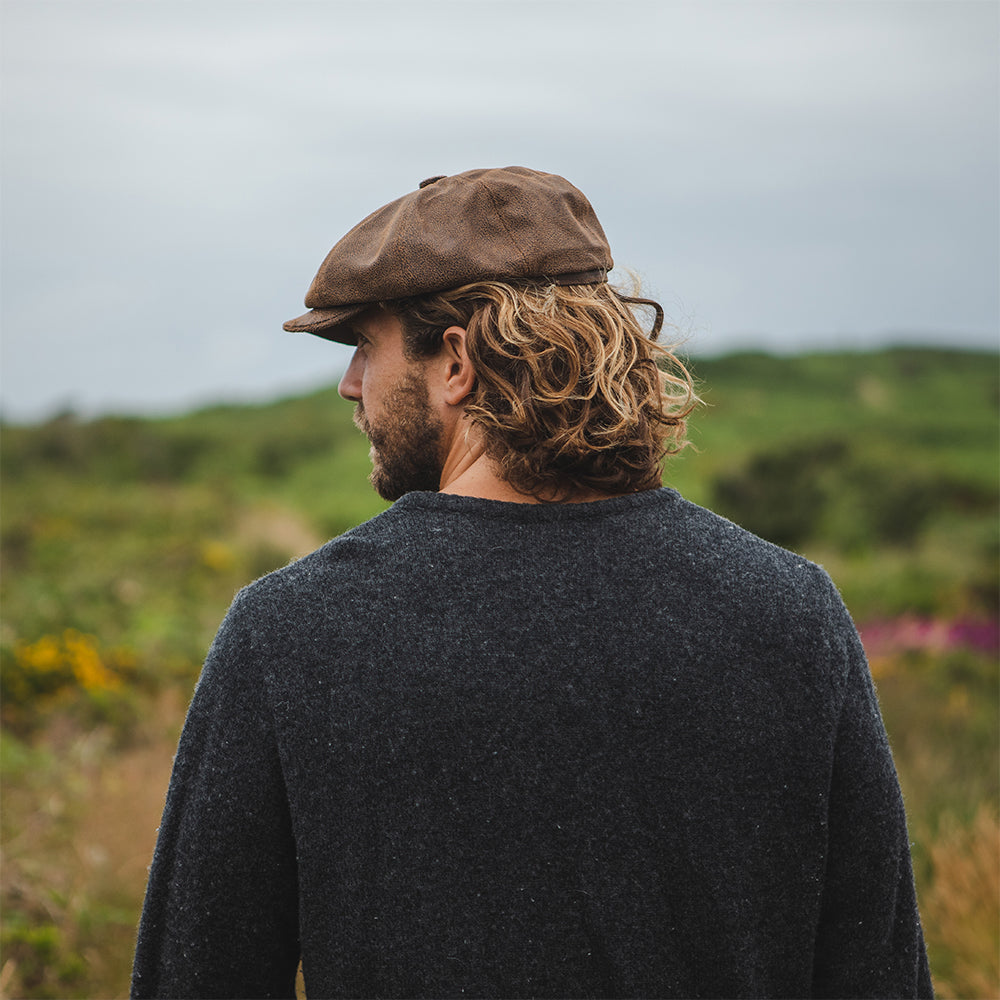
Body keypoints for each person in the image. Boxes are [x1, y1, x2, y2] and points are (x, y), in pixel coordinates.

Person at [131, 167, 932, 998]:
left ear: (456, 363)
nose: (349, 383)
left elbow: (194, 980)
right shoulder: (790, 612)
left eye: (365, 346)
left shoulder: (292, 632)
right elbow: (878, 977)